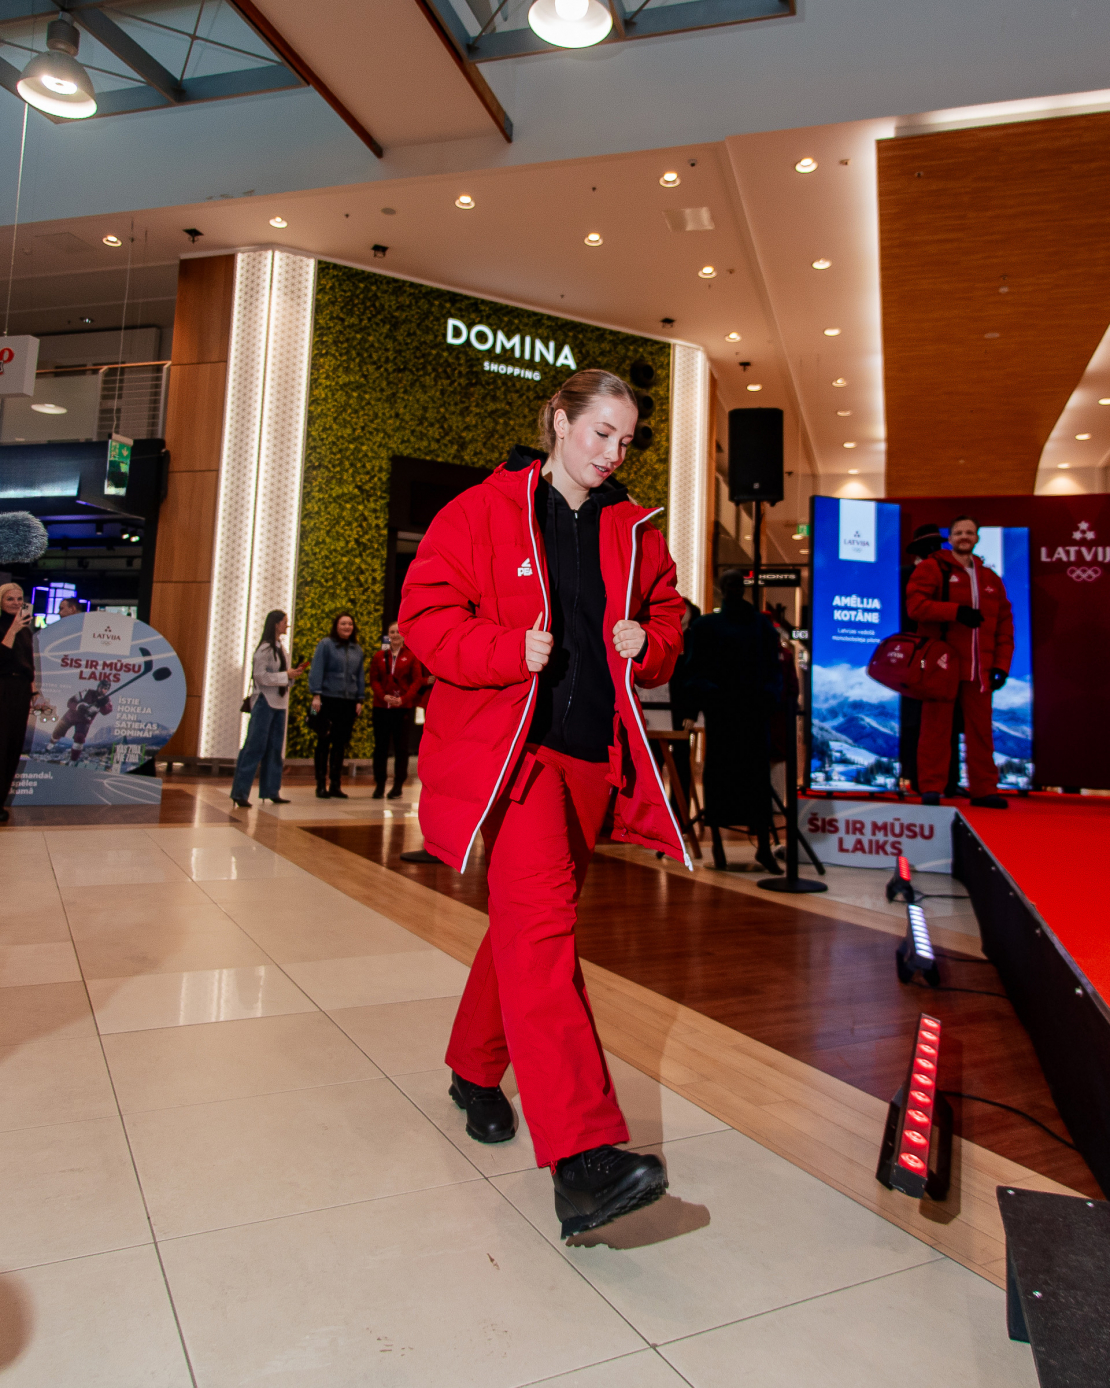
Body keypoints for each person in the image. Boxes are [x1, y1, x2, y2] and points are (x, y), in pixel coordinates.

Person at [399, 368, 687, 1240]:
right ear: (559, 421)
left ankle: (472, 1066)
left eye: (626, 439)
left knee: (527, 925)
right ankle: (585, 1158)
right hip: (517, 754)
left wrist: (655, 640)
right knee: (542, 931)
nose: (613, 452)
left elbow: (672, 617)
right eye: (601, 431)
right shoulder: (482, 509)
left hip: (595, 759)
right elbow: (424, 615)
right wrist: (504, 650)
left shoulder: (633, 529)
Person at [906, 515, 1013, 808]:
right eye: (958, 532)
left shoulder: (990, 578)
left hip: (980, 668)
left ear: (976, 537)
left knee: (981, 730)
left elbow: (1004, 625)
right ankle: (931, 787)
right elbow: (915, 607)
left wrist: (1002, 666)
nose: (964, 536)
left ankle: (984, 789)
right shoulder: (931, 569)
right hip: (942, 665)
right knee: (935, 728)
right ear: (950, 537)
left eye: (969, 532)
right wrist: (956, 611)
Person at [681, 568, 783, 873]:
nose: (734, 589)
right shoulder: (706, 626)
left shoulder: (761, 626)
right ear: (723, 589)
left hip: (751, 715)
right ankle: (720, 851)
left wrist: (767, 697)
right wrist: (708, 694)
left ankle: (763, 848)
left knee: (756, 781)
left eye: (738, 584)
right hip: (723, 716)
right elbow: (693, 671)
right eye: (729, 584)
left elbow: (773, 670)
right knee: (720, 779)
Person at [898, 524, 961, 796]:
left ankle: (923, 779)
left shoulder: (904, 576)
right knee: (934, 718)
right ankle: (937, 780)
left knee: (927, 718)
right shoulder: (951, 576)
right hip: (931, 655)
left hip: (923, 655)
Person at [230, 609, 306, 809]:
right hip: (264, 702)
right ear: (275, 624)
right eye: (284, 622)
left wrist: (292, 676)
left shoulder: (282, 648)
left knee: (275, 749)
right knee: (254, 747)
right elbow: (260, 676)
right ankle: (240, 792)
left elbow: (282, 676)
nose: (286, 625)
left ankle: (271, 790)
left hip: (280, 704)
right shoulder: (264, 649)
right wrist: (285, 675)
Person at [309, 612, 365, 799]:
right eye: (343, 623)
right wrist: (316, 695)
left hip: (348, 702)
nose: (347, 627)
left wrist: (360, 699)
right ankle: (320, 784)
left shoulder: (357, 649)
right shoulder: (326, 644)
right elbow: (317, 669)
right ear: (336, 626)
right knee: (324, 742)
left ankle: (335, 784)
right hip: (327, 698)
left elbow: (360, 676)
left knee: (340, 745)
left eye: (350, 623)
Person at [368, 620, 423, 799]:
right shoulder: (378, 656)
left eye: (398, 632)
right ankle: (380, 784)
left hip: (403, 708)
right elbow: (374, 679)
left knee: (401, 748)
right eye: (392, 632)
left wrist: (404, 699)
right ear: (388, 635)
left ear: (403, 635)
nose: (395, 635)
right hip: (382, 707)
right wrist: (383, 696)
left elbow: (416, 681)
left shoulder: (411, 656)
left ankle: (398, 784)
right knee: (381, 748)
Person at [0, 583, 35, 823]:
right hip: (1, 687)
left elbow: (28, 664)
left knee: (13, 746)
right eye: (9, 598)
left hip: (20, 691)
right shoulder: (11, 628)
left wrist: (33, 693)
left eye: (19, 599)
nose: (15, 602)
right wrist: (11, 630)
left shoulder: (26, 630)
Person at [50, 678, 113, 761]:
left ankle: (73, 760)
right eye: (102, 687)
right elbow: (70, 701)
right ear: (98, 686)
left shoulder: (106, 700)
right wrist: (78, 706)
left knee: (80, 738)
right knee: (58, 732)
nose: (103, 690)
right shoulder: (87, 692)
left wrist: (103, 705)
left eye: (105, 689)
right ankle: (51, 743)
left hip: (85, 721)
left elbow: (107, 711)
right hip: (72, 716)